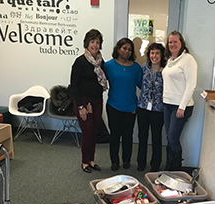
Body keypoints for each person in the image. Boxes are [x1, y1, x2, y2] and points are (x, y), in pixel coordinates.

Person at [70, 29, 108, 173]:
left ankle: (91, 160)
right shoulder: (80, 62)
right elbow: (74, 86)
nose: (95, 45)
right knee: (87, 132)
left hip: (97, 101)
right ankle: (85, 162)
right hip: (84, 103)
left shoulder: (100, 62)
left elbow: (106, 77)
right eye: (92, 41)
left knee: (94, 131)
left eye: (97, 42)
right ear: (87, 43)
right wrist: (80, 106)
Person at [104, 38, 142, 171]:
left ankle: (126, 160)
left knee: (128, 135)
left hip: (131, 107)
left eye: (129, 49)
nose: (126, 51)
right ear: (118, 49)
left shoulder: (136, 67)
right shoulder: (109, 65)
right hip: (114, 105)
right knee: (114, 135)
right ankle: (115, 161)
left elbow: (143, 85)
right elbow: (99, 81)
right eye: (124, 48)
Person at [162, 30, 197, 171]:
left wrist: (182, 107)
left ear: (181, 43)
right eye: (170, 42)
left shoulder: (188, 59)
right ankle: (169, 167)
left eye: (175, 41)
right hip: (168, 104)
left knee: (173, 139)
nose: (172, 44)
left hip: (181, 106)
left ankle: (176, 169)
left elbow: (191, 85)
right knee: (169, 138)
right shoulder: (170, 60)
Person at [137, 43, 166, 172]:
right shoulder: (144, 68)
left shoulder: (166, 70)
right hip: (143, 107)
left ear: (161, 55)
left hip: (159, 109)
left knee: (156, 137)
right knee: (142, 136)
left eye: (157, 53)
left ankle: (155, 165)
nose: (154, 56)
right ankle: (141, 163)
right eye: (152, 53)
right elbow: (138, 82)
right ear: (149, 55)